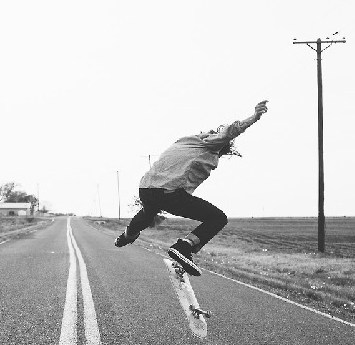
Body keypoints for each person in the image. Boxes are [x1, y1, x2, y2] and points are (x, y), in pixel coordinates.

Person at [114, 100, 269, 276]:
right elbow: (230, 131)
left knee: (148, 213)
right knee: (218, 218)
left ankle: (126, 236)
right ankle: (183, 247)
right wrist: (254, 117)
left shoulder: (185, 141)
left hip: (146, 189)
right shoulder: (210, 144)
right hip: (168, 192)